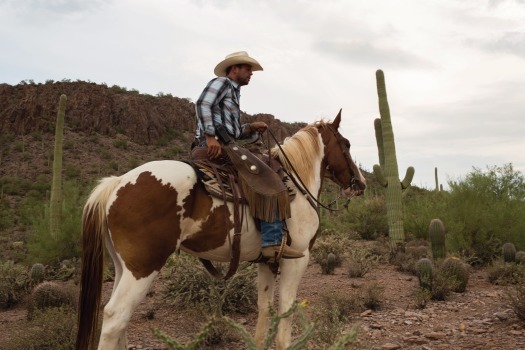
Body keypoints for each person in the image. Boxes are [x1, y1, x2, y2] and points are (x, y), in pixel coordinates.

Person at [194, 51, 304, 260]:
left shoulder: (234, 93)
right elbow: (202, 103)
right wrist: (210, 136)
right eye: (247, 68)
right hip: (217, 145)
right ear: (234, 68)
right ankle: (272, 241)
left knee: (266, 165)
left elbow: (233, 132)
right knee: (267, 175)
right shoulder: (222, 83)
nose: (251, 73)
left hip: (226, 142)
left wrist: (251, 127)